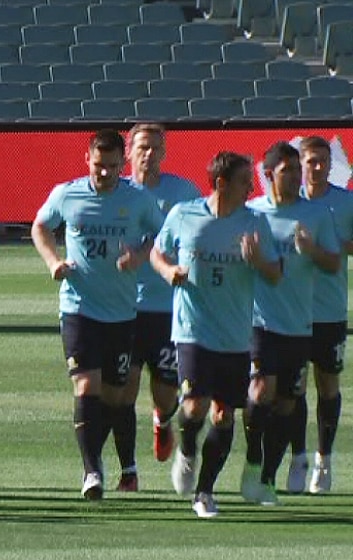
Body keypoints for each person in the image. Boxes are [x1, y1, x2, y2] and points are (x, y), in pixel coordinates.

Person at [31, 129, 163, 501]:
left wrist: (139, 255)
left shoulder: (137, 199)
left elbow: (164, 233)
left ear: (123, 164)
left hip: (121, 312)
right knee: (86, 387)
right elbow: (40, 226)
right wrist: (53, 261)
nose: (103, 173)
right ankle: (92, 471)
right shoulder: (67, 194)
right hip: (78, 308)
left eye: (111, 166)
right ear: (85, 160)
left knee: (116, 397)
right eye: (98, 165)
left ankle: (128, 467)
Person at [151, 151, 281, 518]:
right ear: (221, 183)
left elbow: (275, 273)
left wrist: (258, 262)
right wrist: (168, 271)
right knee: (193, 406)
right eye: (244, 181)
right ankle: (187, 448)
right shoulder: (184, 215)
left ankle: (205, 492)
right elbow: (157, 254)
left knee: (224, 416)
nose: (251, 188)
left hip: (236, 335)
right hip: (192, 330)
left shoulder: (254, 222)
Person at [240, 141, 340, 506]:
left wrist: (312, 251)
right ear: (268, 176)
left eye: (298, 170)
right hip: (259, 322)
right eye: (289, 171)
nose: (297, 177)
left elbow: (332, 264)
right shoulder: (251, 214)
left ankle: (266, 477)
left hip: (299, 324)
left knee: (286, 403)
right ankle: (253, 460)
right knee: (260, 392)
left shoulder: (315, 215)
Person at [114, 123, 201, 491]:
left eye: (155, 148)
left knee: (166, 393)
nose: (148, 155)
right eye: (142, 147)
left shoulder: (182, 193)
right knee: (124, 387)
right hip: (123, 307)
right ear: (128, 153)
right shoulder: (113, 193)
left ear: (164, 153)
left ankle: (163, 421)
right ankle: (128, 471)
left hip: (168, 308)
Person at [286, 135, 353, 494]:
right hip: (292, 312)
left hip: (328, 311)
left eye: (323, 161)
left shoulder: (344, 203)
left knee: (327, 384)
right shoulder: (287, 205)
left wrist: (337, 246)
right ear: (299, 164)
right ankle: (298, 459)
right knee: (293, 388)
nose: (317, 167)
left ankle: (324, 461)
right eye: (311, 161)